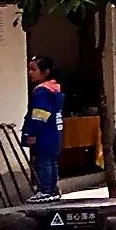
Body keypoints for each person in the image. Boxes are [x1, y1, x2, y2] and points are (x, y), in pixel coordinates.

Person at [22, 54, 65, 200]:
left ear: (45, 72)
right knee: (51, 161)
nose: (30, 73)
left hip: (44, 134)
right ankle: (52, 190)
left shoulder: (42, 91)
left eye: (33, 69)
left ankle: (45, 191)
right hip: (54, 133)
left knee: (42, 162)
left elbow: (40, 115)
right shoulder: (55, 89)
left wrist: (32, 132)